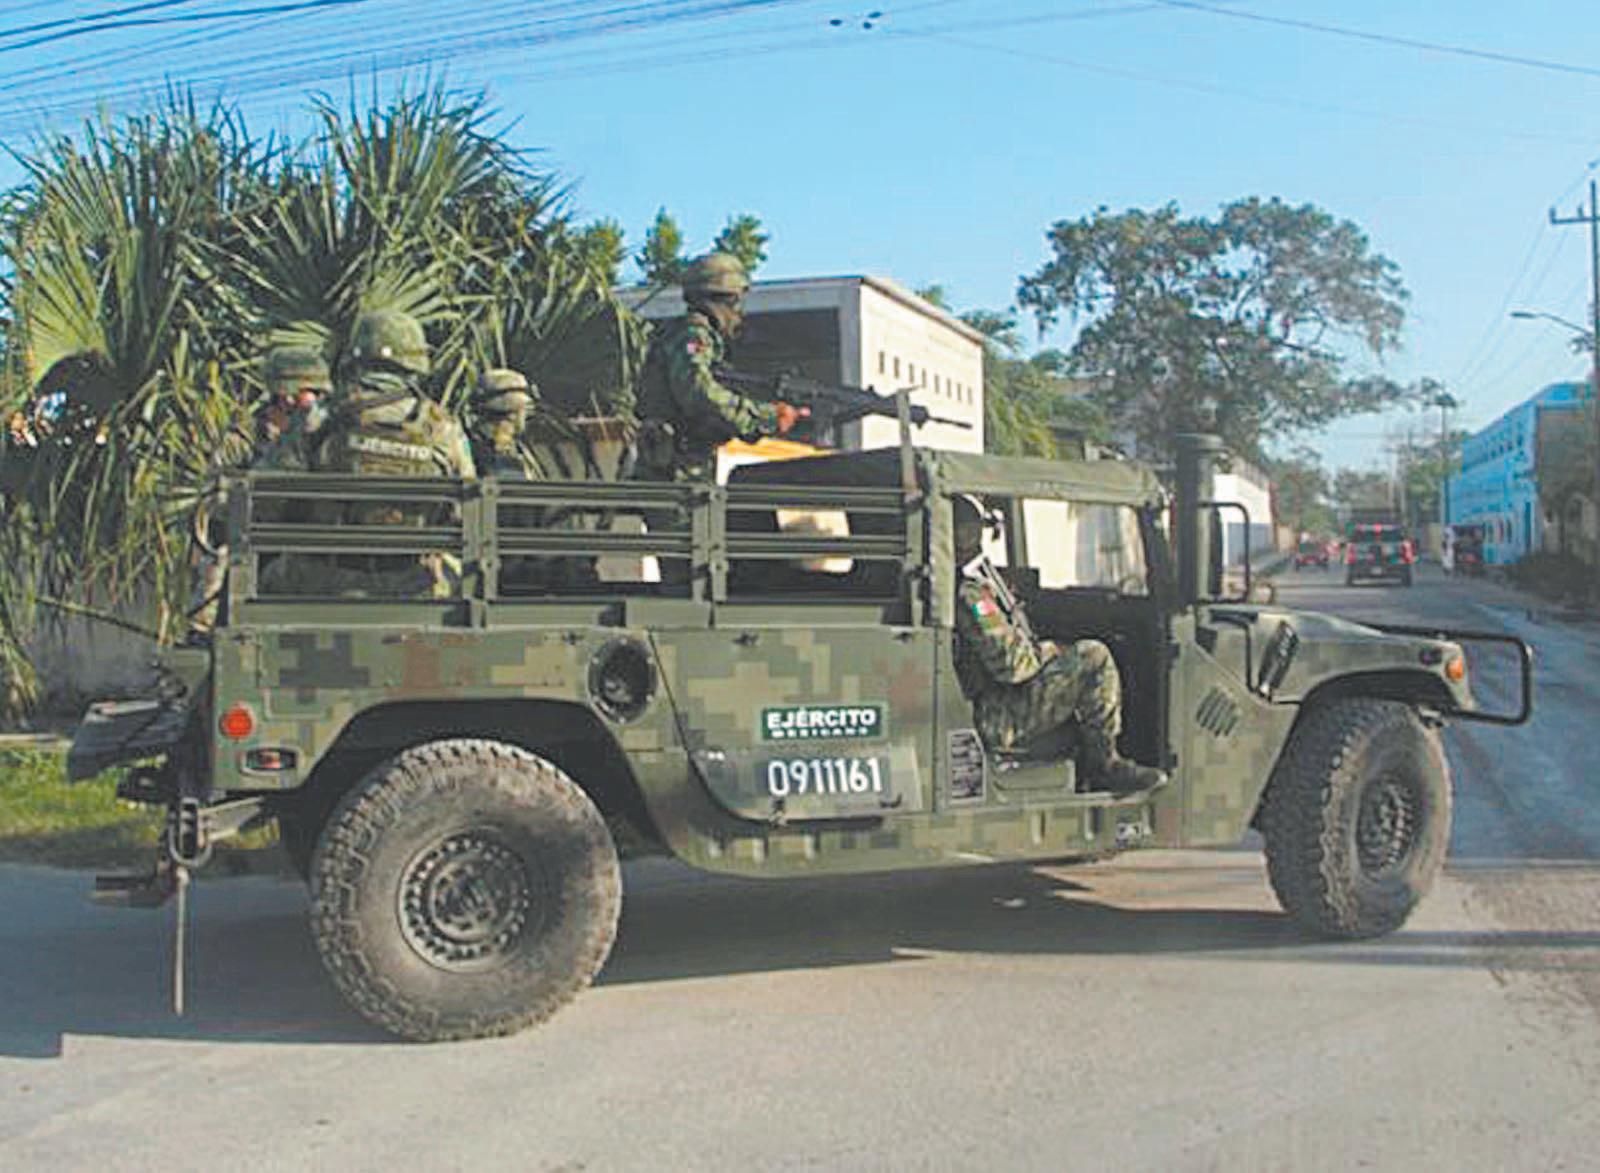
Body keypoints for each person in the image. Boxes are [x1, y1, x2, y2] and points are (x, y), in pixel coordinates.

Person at [951, 495, 1165, 795]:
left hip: (996, 701)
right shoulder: (971, 595)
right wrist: (1052, 650)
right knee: (1094, 658)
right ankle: (1104, 765)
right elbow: (1013, 666)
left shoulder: (974, 581)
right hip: (996, 714)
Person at [263, 310, 476, 598]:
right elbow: (465, 513)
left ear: (356, 356)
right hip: (414, 585)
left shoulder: (320, 418)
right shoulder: (444, 428)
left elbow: (267, 500)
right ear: (415, 360)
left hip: (322, 583)